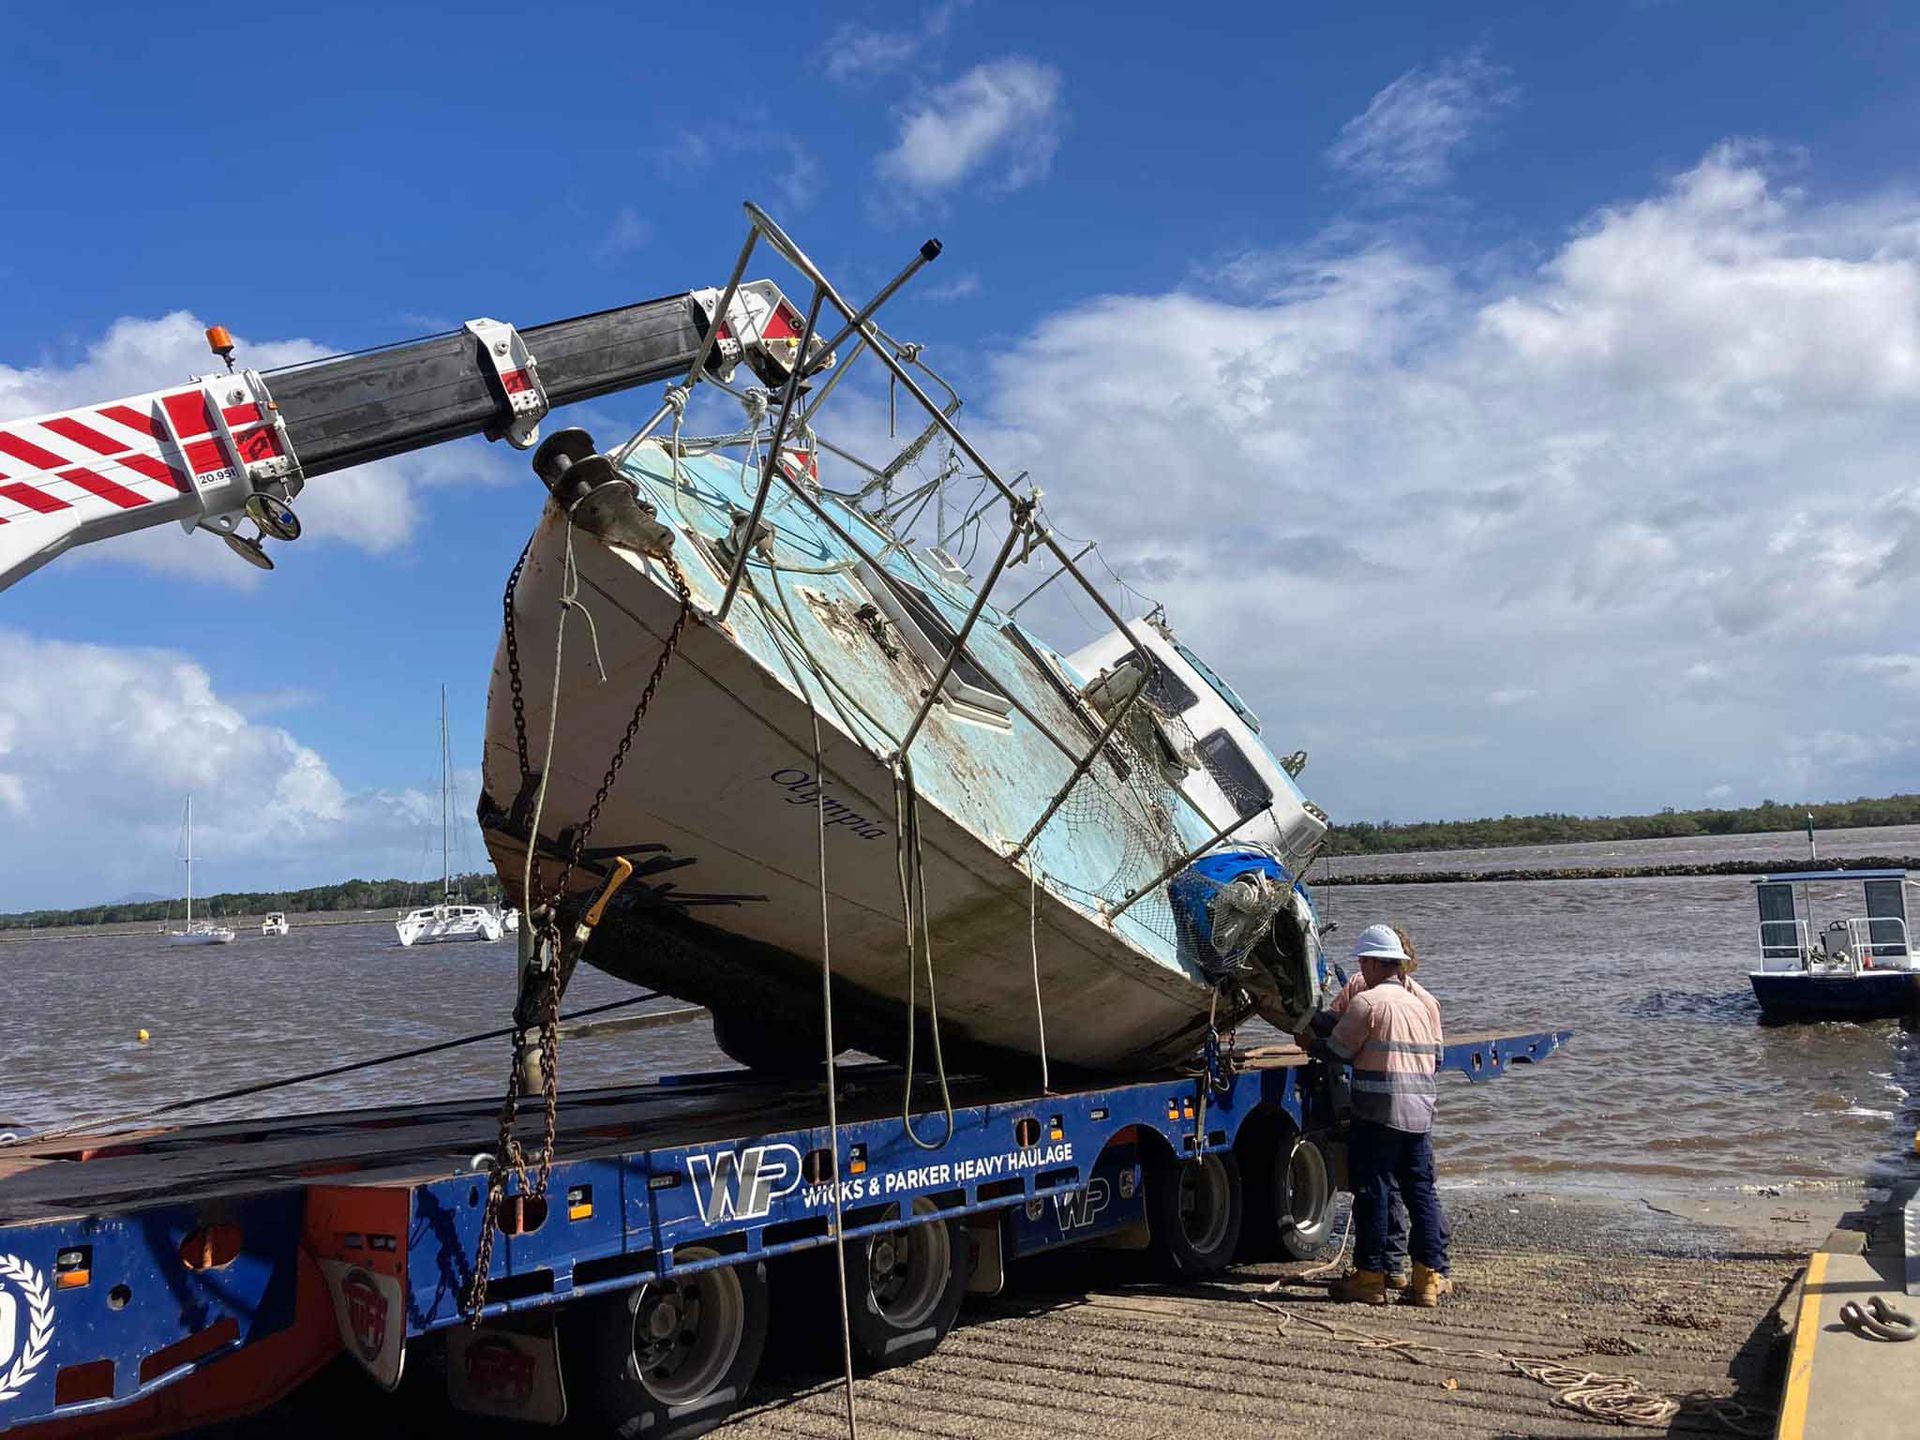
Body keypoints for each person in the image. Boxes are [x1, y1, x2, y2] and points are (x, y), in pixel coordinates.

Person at [1295, 923, 1452, 1306]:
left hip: (1377, 1115)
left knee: (1374, 1194)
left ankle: (1369, 1278)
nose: (1361, 968)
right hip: (1420, 1115)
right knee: (1421, 1193)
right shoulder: (1424, 1004)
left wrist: (1307, 1041)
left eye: (1364, 961)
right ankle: (1428, 1279)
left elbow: (1339, 1051)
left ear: (1377, 963)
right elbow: (1438, 1058)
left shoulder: (1367, 1002)